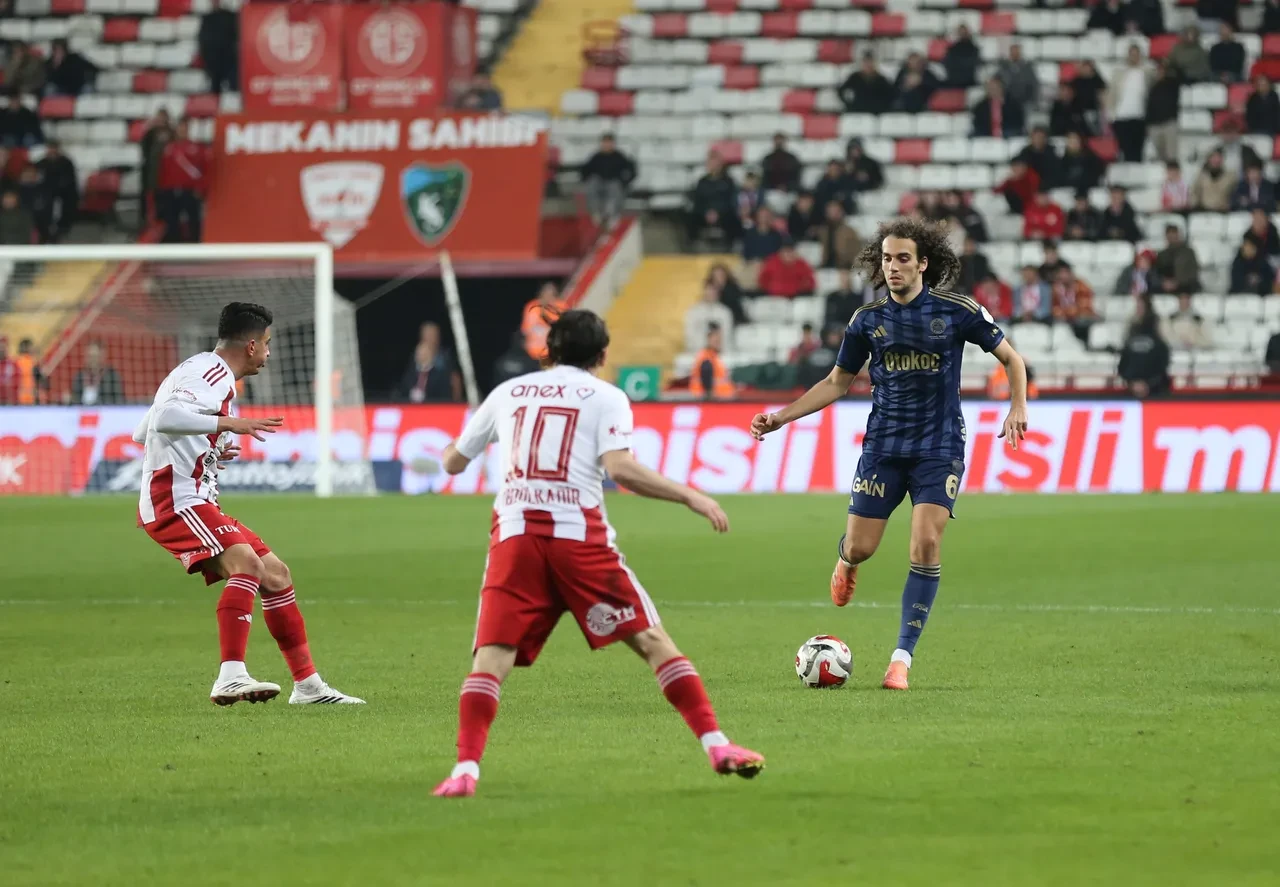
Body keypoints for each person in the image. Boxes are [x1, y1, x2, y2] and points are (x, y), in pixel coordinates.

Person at [430, 310, 763, 797]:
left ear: (549, 349)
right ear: (602, 355)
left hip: (516, 538)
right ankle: (716, 744)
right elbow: (621, 470)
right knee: (652, 641)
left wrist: (450, 449)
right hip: (578, 540)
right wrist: (691, 495)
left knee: (492, 658)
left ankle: (464, 771)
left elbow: (454, 461)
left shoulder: (508, 393)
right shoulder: (606, 397)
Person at [749, 218, 1028, 691]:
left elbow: (1012, 360)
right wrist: (781, 417)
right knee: (862, 546)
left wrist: (1017, 405)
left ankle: (901, 659)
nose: (893, 266)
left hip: (939, 446)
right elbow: (837, 382)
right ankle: (846, 561)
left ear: (923, 263)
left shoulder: (957, 311)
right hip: (883, 446)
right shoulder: (868, 321)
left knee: (925, 543)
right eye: (886, 258)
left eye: (903, 258)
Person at [132, 302, 362, 706]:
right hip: (175, 499)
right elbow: (162, 417)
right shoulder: (212, 373)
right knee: (248, 565)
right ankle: (230, 676)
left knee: (276, 574)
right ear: (252, 345)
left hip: (196, 497)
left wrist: (208, 449)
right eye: (268, 344)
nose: (270, 353)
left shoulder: (196, 369)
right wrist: (227, 424)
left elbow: (141, 431)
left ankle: (308, 687)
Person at [1118, 298, 1171, 398]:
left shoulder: (1158, 335)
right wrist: (1132, 382)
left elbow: (1163, 363)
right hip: (1132, 389)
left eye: (1141, 307)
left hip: (1156, 391)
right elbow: (1123, 363)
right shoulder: (1130, 333)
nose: (1138, 310)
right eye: (1137, 307)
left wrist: (1148, 383)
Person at [580, 134, 635, 226]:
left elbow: (631, 170)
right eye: (605, 143)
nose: (607, 145)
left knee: (614, 188)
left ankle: (610, 215)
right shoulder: (596, 157)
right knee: (592, 185)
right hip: (599, 183)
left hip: (613, 182)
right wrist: (586, 178)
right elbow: (586, 169)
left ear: (613, 144)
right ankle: (595, 213)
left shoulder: (619, 156)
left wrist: (625, 181)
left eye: (609, 143)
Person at [400, 323, 462, 403]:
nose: (430, 339)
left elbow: (454, 381)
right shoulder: (413, 363)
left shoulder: (446, 357)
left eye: (432, 335)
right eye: (427, 335)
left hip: (437, 403)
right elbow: (406, 384)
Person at [198, 0, 239, 94]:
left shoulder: (231, 17)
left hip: (230, 60)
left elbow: (237, 37)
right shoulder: (207, 18)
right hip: (213, 61)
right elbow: (202, 39)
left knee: (235, 89)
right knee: (215, 90)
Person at [521, 282, 566, 362]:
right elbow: (526, 330)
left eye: (552, 294)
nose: (548, 296)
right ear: (541, 293)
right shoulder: (532, 306)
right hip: (533, 354)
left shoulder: (561, 307)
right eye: (546, 293)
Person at [684, 282, 734, 353]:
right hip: (697, 353)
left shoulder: (725, 312)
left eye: (714, 291)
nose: (711, 294)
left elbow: (727, 336)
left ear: (718, 293)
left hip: (721, 353)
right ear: (704, 291)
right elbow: (689, 336)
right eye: (709, 291)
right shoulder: (693, 312)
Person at [689, 324, 735, 399]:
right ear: (709, 339)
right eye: (716, 340)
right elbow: (707, 379)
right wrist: (710, 398)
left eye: (719, 340)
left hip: (719, 399)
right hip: (713, 401)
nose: (719, 343)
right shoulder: (707, 358)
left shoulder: (712, 356)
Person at [71, 341, 123, 405]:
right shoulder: (79, 376)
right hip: (83, 411)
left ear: (102, 356)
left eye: (94, 356)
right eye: (89, 356)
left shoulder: (112, 376)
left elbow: (119, 400)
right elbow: (75, 399)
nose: (92, 359)